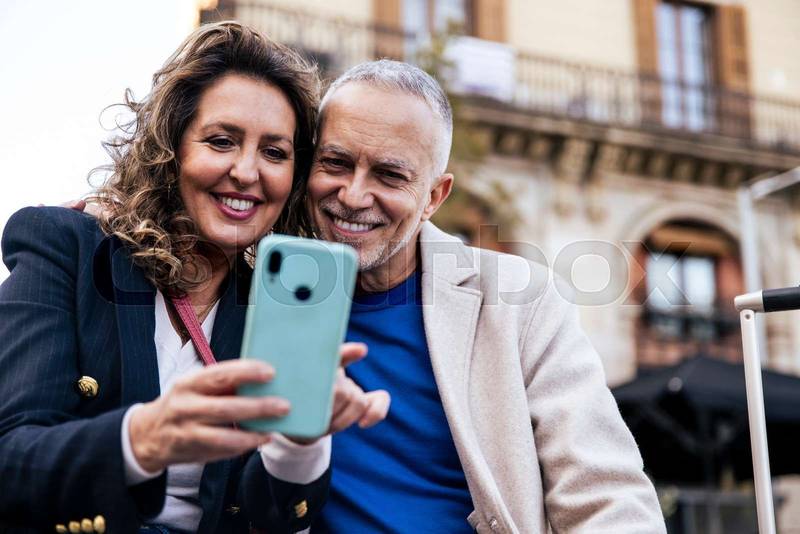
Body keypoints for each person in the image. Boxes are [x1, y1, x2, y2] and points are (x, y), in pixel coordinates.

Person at [0, 23, 388, 533]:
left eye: (275, 152)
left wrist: (300, 438)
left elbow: (272, 520)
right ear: (172, 149)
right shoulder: (68, 248)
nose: (247, 172)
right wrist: (144, 438)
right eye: (222, 141)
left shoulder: (272, 307)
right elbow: (10, 460)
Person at [302, 60, 667, 532]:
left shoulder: (522, 301)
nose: (353, 195)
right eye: (336, 163)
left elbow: (606, 496)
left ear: (435, 196)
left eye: (390, 176)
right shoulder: (261, 290)